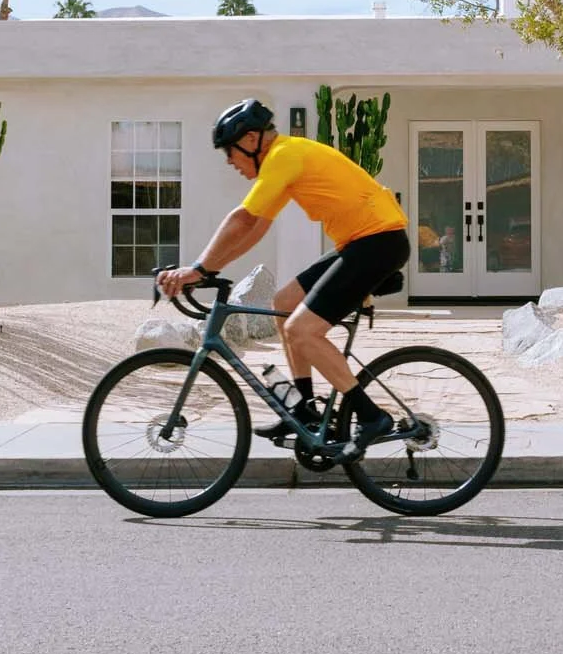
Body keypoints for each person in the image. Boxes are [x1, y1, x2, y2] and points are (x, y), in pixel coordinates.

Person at [159, 98, 409, 455]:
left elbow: (241, 219)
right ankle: (305, 408)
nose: (230, 162)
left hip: (377, 243)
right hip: (362, 243)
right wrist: (210, 270)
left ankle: (372, 417)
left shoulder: (283, 156)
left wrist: (196, 269)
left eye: (230, 153)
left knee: (301, 330)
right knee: (284, 303)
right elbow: (256, 228)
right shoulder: (283, 161)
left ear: (250, 141)